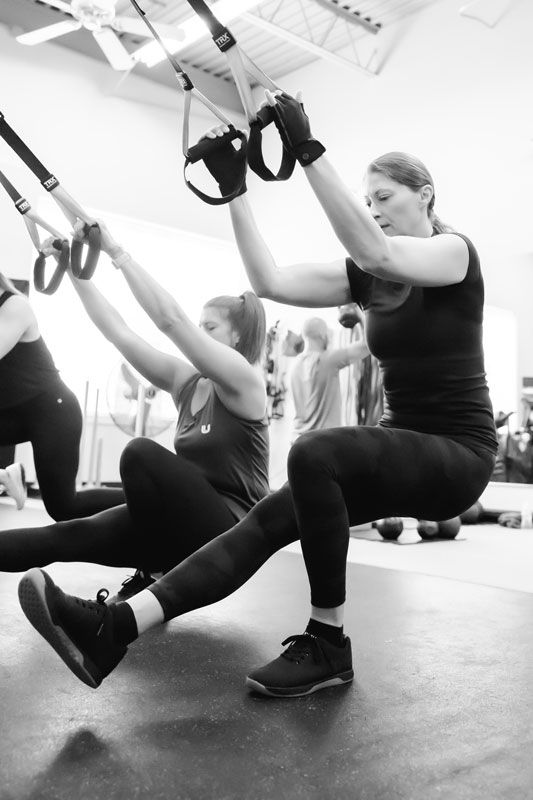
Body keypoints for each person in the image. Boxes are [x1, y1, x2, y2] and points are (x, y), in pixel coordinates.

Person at [17, 99, 497, 699]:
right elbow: (269, 282)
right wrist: (235, 189)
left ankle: (328, 642)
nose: (373, 210)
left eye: (384, 198)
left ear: (424, 195)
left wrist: (309, 152)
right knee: (268, 520)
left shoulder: (454, 252)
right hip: (400, 445)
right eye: (367, 200)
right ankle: (113, 628)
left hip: (459, 452)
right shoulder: (366, 274)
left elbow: (379, 251)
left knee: (314, 452)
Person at [1, 219, 269, 603]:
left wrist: (114, 251)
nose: (197, 334)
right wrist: (74, 269)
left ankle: (152, 566)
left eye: (209, 328)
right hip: (179, 522)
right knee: (65, 535)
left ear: (238, 336)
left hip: (231, 536)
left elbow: (170, 321)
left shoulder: (245, 383)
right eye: (199, 326)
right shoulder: (187, 381)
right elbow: (118, 331)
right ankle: (152, 564)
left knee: (141, 453)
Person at [0, 270, 124, 520]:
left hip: (52, 411)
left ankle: (153, 495)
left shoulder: (16, 306)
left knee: (64, 508)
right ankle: (5, 476)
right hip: (14, 413)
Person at [290, 315, 368, 441]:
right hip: (322, 442)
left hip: (298, 441)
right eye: (328, 333)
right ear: (322, 335)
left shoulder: (294, 365)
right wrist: (360, 315)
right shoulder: (327, 360)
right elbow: (367, 345)